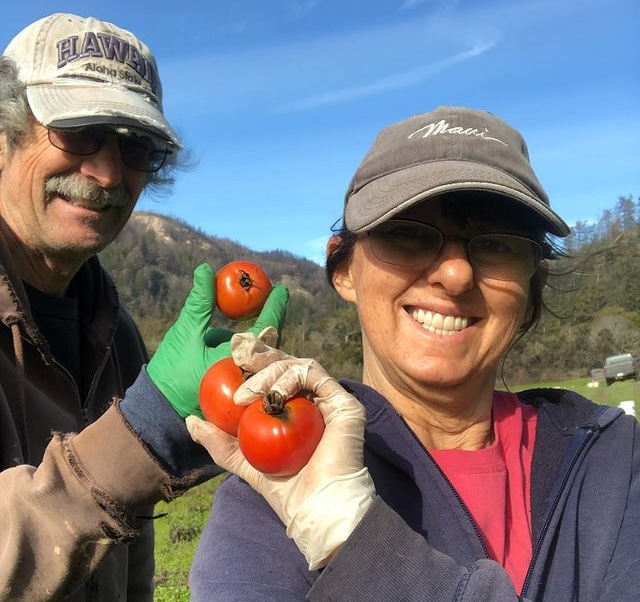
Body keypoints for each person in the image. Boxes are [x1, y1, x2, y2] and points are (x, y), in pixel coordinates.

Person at [186, 106, 640, 601]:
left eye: (498, 244)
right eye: (406, 233)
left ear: (530, 285)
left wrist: (358, 547)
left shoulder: (610, 460)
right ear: (343, 269)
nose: (457, 275)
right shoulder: (278, 499)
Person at [0, 13, 288, 602]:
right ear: (4, 135)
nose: (107, 172)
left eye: (135, 146)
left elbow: (128, 553)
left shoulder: (114, 332)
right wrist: (146, 431)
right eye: (78, 131)